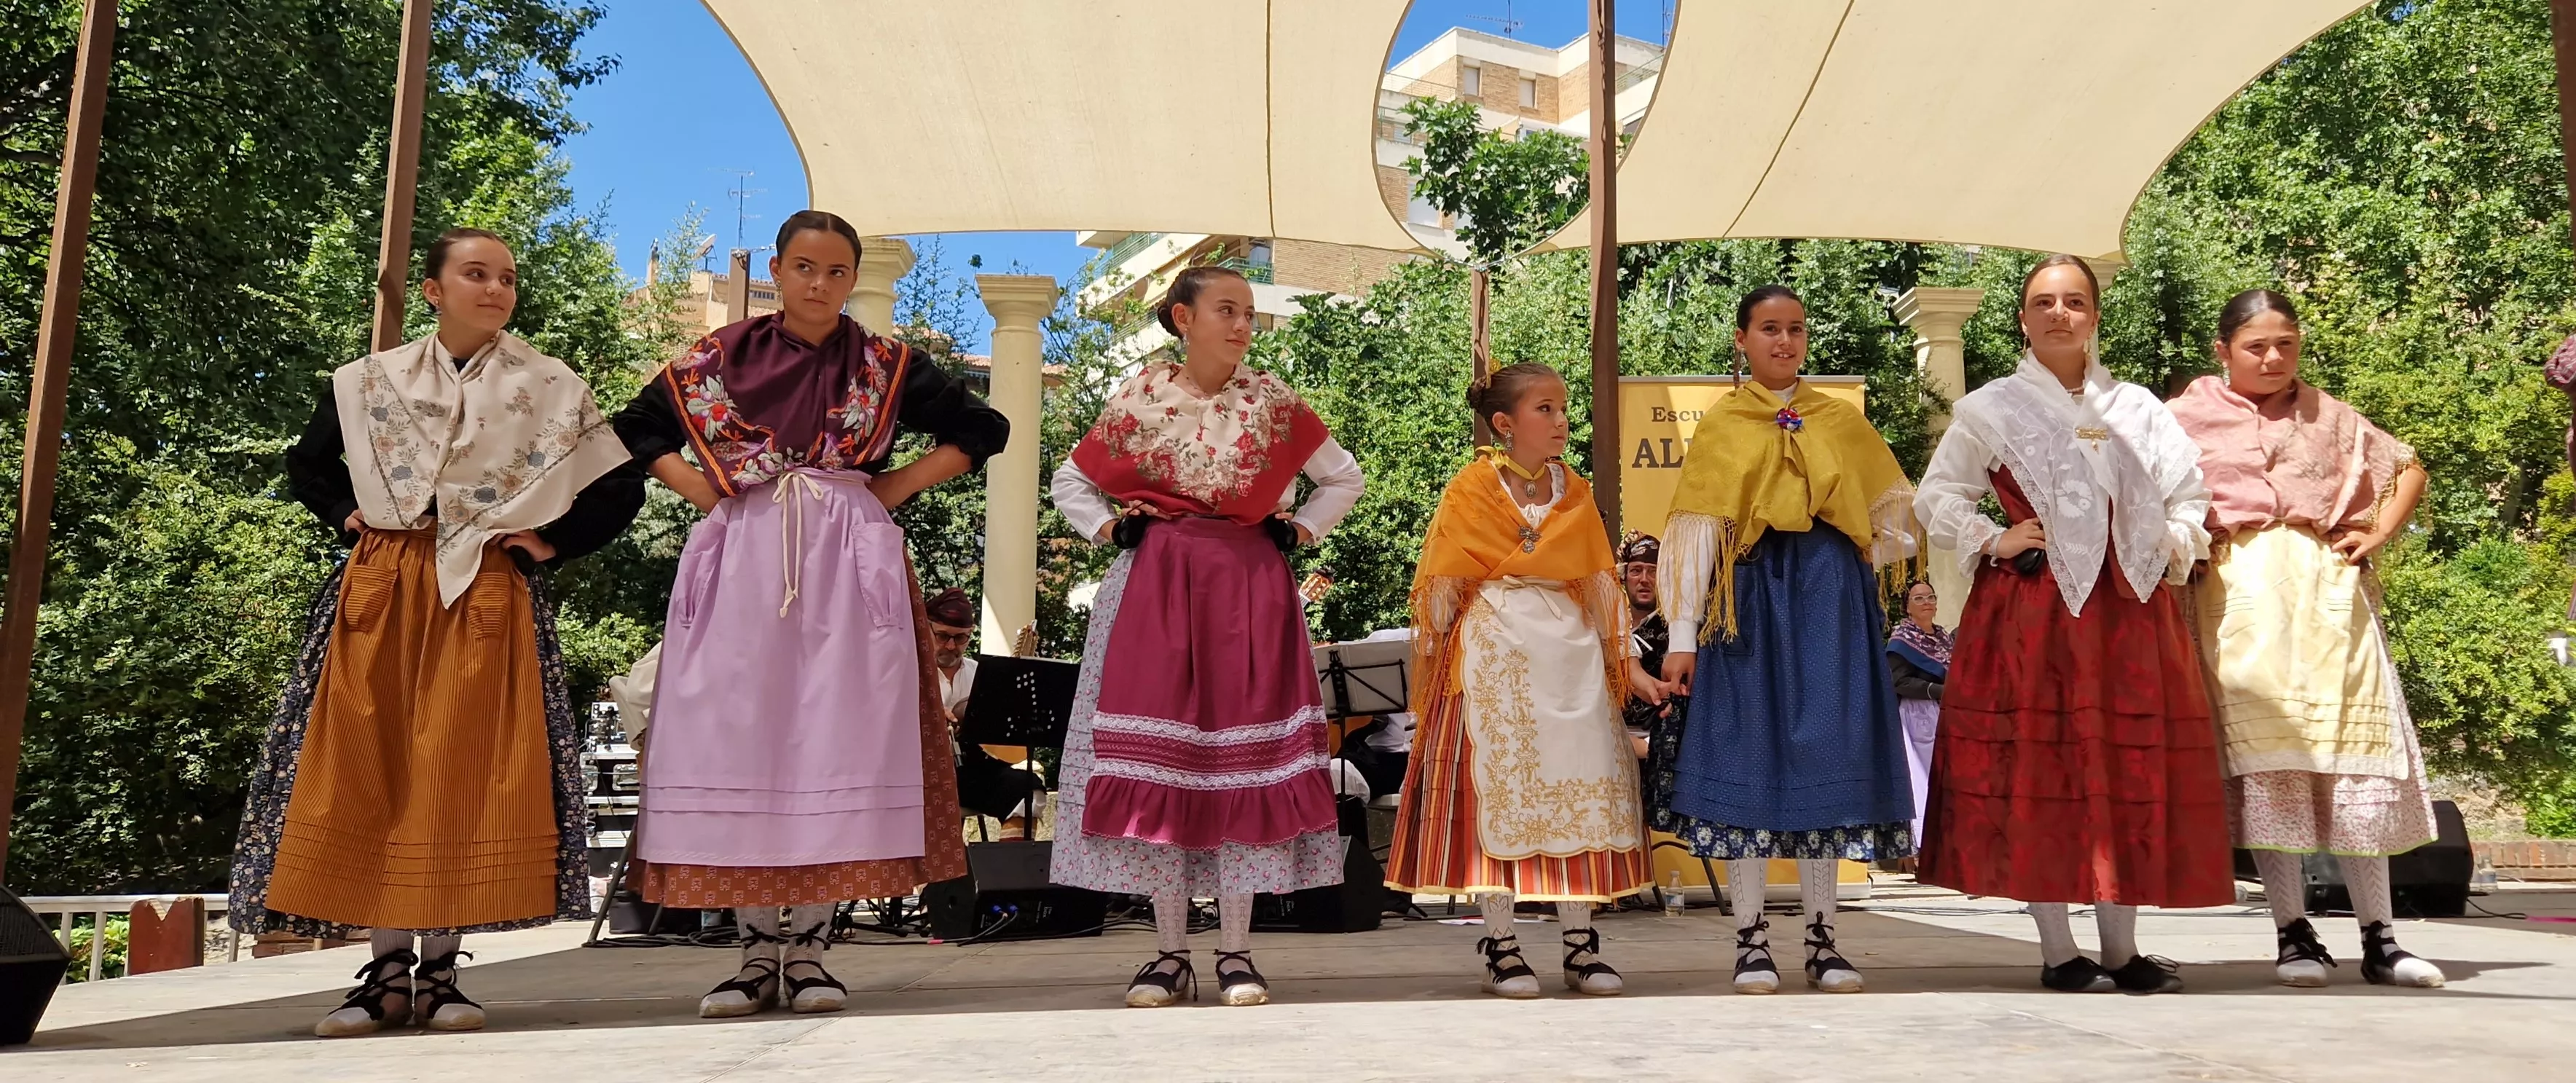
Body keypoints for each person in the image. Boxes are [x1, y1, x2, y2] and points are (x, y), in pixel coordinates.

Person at [230, 228, 644, 1036]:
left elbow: (616, 486)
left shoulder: (551, 386)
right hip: (381, 584)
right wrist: (344, 519)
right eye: (475, 274)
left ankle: (444, 971)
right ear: (432, 288)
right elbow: (308, 464)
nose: (495, 289)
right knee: (371, 761)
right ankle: (384, 973)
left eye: (507, 278)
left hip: (485, 586)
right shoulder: (367, 381)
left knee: (462, 767)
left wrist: (547, 543)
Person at [613, 210, 1008, 1020]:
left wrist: (887, 488)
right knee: (742, 730)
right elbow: (637, 428)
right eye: (803, 267)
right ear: (781, 270)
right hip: (745, 543)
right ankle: (756, 953)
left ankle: (817, 950)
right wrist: (706, 494)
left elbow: (982, 427)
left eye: (835, 271)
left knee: (841, 733)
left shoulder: (885, 361)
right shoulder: (718, 357)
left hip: (848, 553)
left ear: (851, 277)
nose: (818, 284)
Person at [1048, 265, 1364, 1009]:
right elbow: (1071, 481)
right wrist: (1108, 526)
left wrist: (1302, 527)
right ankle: (1166, 953)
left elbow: (1342, 479)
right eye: (1227, 310)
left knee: (1239, 763)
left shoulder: (1272, 401)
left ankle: (1234, 951)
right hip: (1155, 584)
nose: (1242, 324)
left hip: (1249, 584)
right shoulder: (1139, 396)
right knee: (1169, 765)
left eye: (1248, 313)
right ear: (1182, 317)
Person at [1913, 255, 2229, 995]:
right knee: (2040, 766)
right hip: (2030, 617)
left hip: (2128, 614)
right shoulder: (1989, 408)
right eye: (2043, 302)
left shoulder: (2139, 409)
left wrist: (2169, 542)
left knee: (2122, 767)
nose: (2058, 313)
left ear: (2093, 314)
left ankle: (2121, 951)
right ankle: (2058, 952)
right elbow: (1936, 494)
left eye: (2073, 300)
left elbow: (2188, 497)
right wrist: (1995, 537)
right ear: (2022, 318)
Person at [2167, 289, 2445, 988]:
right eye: (2256, 345)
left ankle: (2381, 935)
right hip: (2236, 603)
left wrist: (2377, 532)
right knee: (2274, 765)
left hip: (2329, 597)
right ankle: (2292, 931)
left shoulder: (2332, 415)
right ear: (2222, 350)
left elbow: (2407, 466)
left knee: (2352, 758)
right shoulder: (2179, 419)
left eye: (2285, 344)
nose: (2272, 357)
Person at [1656, 286, 1917, 996]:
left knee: (1824, 760)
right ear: (1741, 339)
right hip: (1746, 604)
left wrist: (1865, 552)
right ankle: (1749, 941)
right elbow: (1695, 536)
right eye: (1768, 329)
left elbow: (1894, 514)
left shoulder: (1837, 417)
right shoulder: (1722, 425)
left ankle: (1822, 939)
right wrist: (1681, 636)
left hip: (1828, 600)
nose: (1784, 341)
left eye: (1795, 329)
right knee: (1746, 758)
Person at [1386, 363, 1655, 999]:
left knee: (1578, 787)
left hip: (1570, 655)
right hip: (1492, 653)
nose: (1562, 420)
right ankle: (1503, 946)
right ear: (1505, 424)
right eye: (1546, 409)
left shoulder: (1577, 490)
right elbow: (1444, 584)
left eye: (1563, 408)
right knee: (1496, 798)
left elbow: (1596, 582)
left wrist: (1629, 662)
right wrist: (1435, 663)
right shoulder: (1470, 488)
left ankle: (1580, 944)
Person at [927, 587, 1042, 840]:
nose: (950, 645)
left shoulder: (982, 675)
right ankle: (943, 876)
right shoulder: (907, 672)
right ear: (926, 630)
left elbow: (1003, 748)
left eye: (960, 639)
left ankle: (1009, 876)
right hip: (921, 774)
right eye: (943, 636)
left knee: (1027, 788)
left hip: (969, 772)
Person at [1885, 580, 1951, 851]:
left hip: (1945, 713)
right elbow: (1897, 681)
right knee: (1923, 780)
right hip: (1918, 716)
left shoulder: (1944, 637)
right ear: (1907, 608)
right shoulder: (1902, 640)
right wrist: (1938, 690)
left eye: (1930, 597)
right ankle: (1924, 848)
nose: (1927, 603)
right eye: (1919, 599)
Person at [1619, 534, 1677, 760]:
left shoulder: (1676, 635)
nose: (1645, 579)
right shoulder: (1608, 629)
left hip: (1655, 746)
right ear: (1623, 577)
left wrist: (1646, 746)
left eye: (1653, 571)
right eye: (1636, 571)